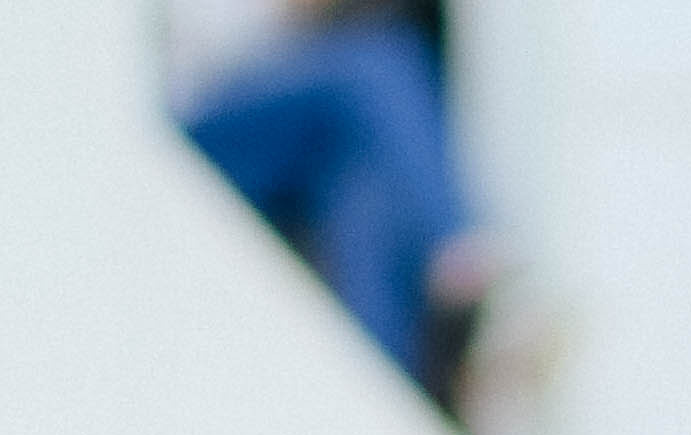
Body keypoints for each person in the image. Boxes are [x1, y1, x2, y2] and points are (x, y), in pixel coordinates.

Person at [172, 0, 497, 404]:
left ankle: (383, 398)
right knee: (377, 60)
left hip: (282, 131)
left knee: (362, 197)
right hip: (183, 133)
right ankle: (460, 254)